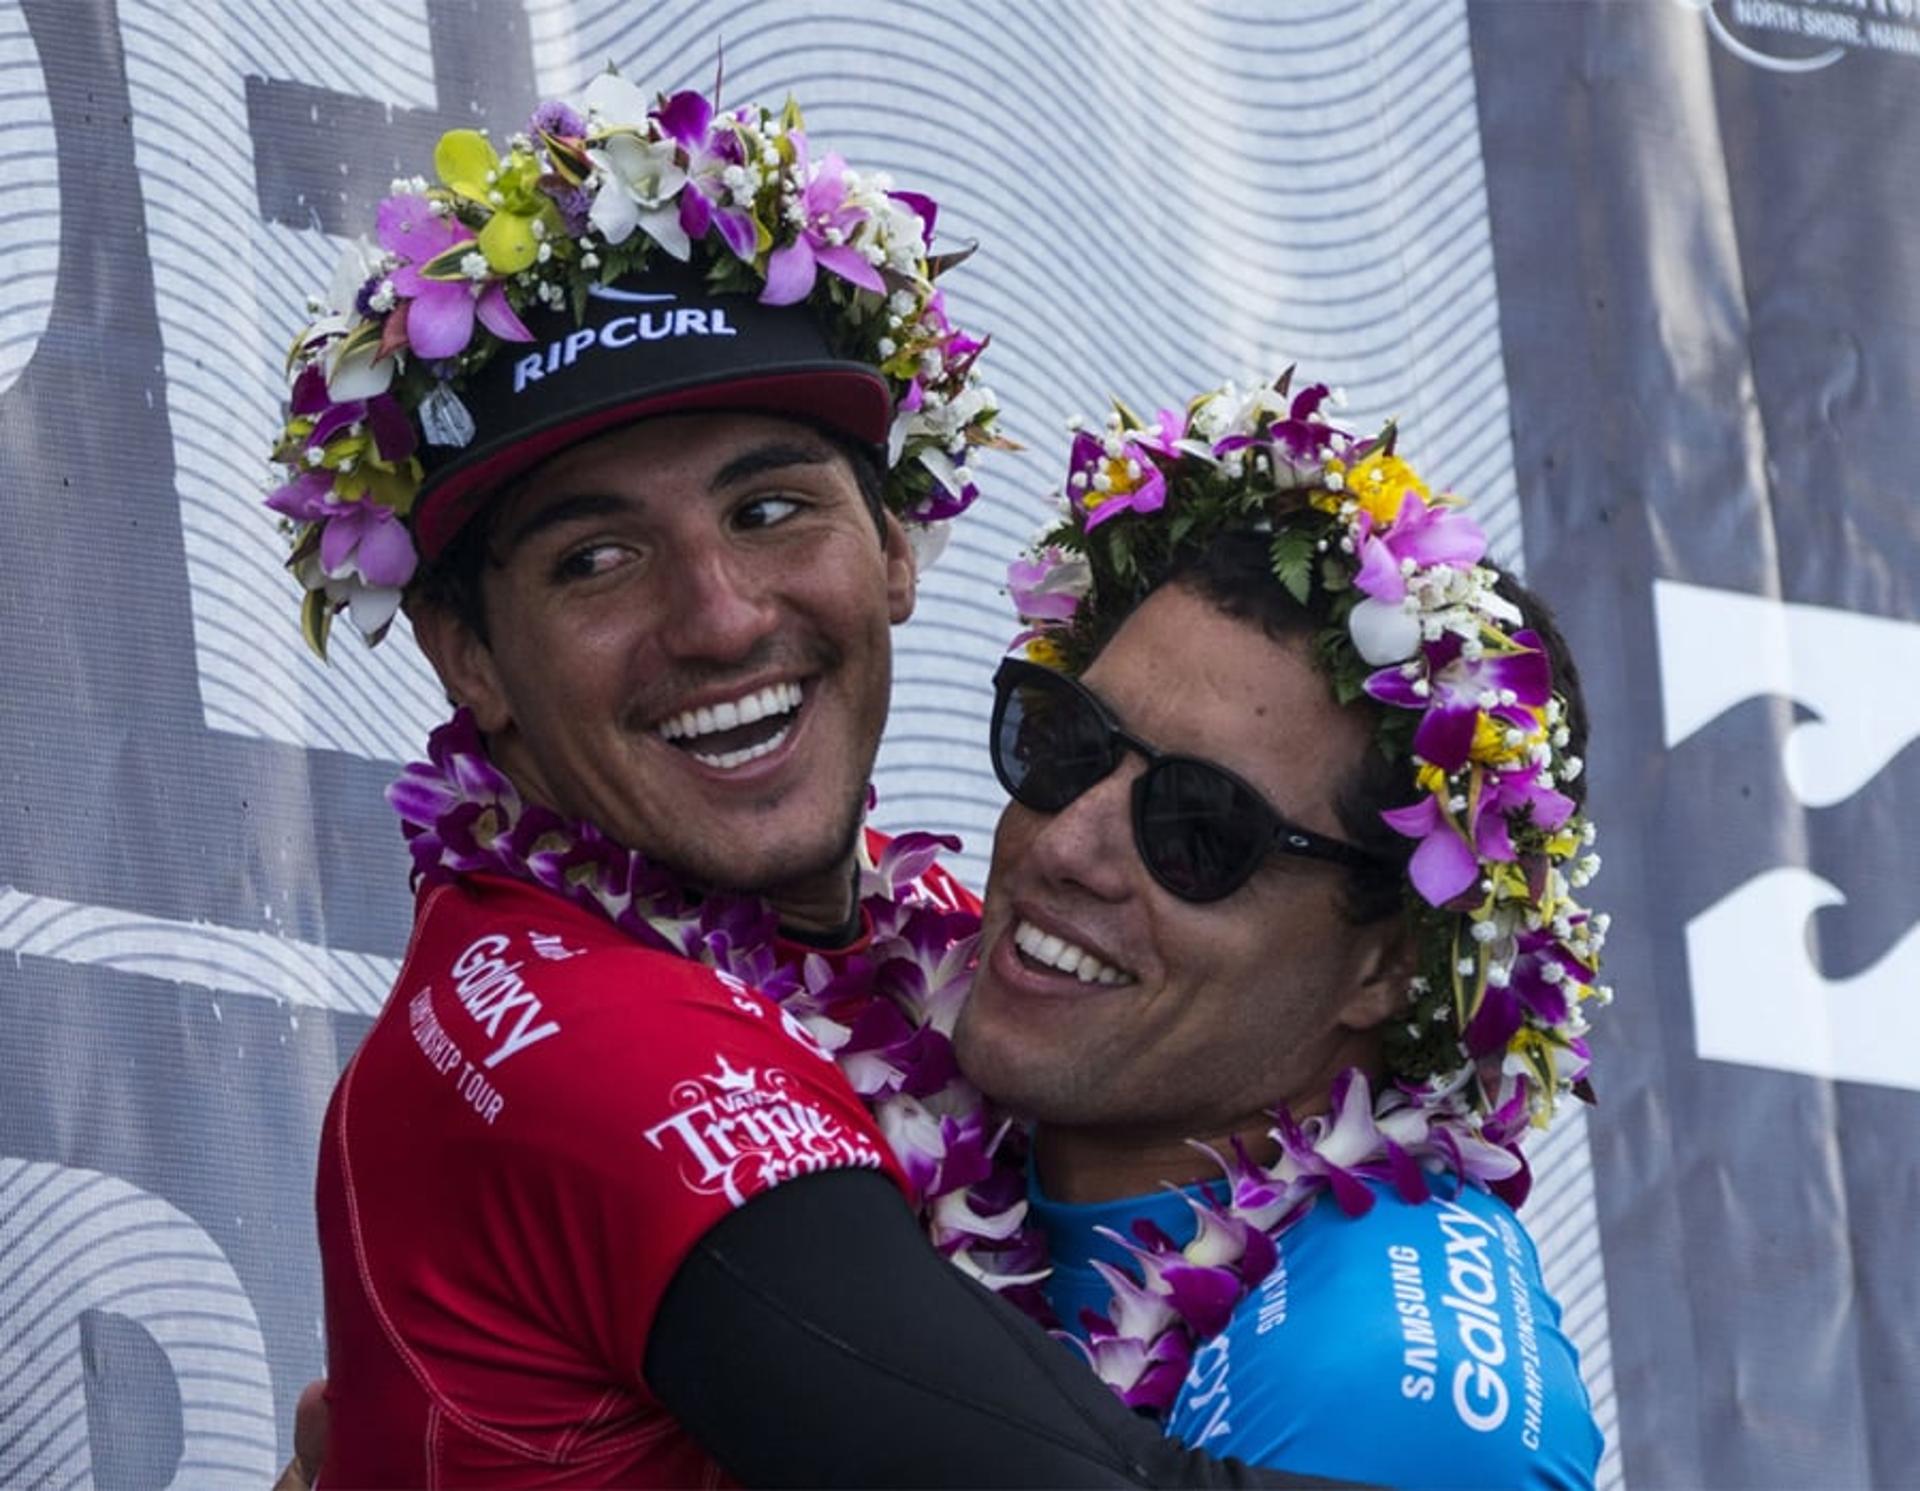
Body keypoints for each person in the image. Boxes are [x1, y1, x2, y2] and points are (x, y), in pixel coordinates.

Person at [266, 74, 1343, 1488]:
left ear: (895, 543)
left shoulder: (935, 943)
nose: (718, 615)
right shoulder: (580, 1042)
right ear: (468, 653)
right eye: (597, 557)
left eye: (771, 509)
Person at [956, 377, 1610, 1488]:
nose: (1065, 844)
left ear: (1390, 962)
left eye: (1200, 828)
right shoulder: (861, 1027)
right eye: (1068, 742)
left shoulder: (1395, 1397)